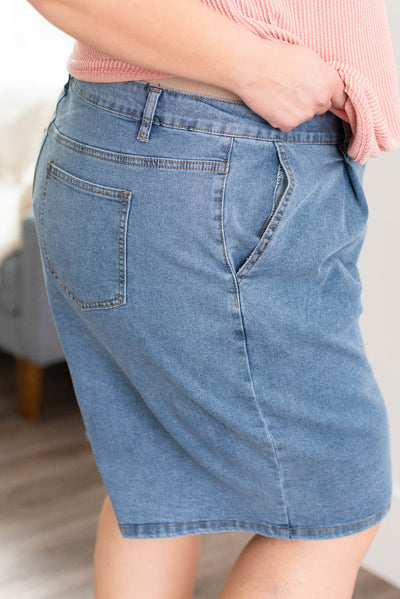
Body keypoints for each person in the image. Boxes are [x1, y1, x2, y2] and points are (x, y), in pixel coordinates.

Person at [26, 0, 400, 597]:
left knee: (156, 475)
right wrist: (253, 64)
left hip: (164, 146)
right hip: (211, 156)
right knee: (335, 498)